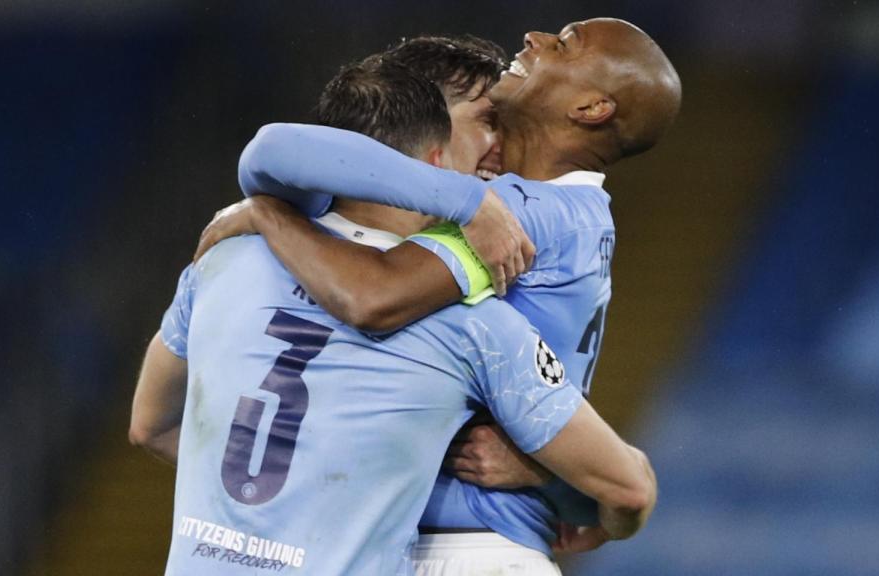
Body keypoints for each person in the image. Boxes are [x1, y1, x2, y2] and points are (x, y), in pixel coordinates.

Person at [131, 58, 656, 576]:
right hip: (484, 554)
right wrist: (558, 485)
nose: (498, 152)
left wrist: (268, 212)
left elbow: (149, 427)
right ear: (429, 160)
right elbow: (626, 487)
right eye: (485, 123)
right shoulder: (469, 322)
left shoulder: (222, 262)